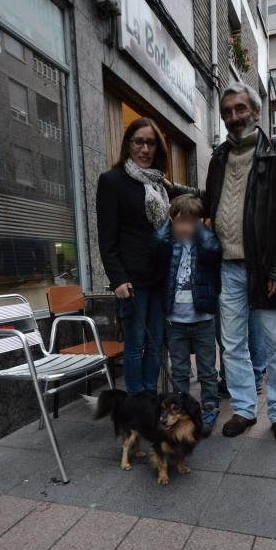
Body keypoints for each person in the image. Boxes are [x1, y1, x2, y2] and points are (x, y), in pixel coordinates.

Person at [204, 82, 276, 444]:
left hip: (265, 269)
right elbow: (212, 203)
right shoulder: (218, 158)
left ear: (256, 112)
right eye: (227, 111)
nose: (233, 117)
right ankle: (244, 408)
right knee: (232, 344)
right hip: (228, 267)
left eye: (240, 109)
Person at [96, 117, 169, 394]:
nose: (145, 149)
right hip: (132, 283)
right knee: (136, 345)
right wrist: (118, 279)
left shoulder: (159, 185)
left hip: (159, 279)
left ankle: (151, 398)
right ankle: (137, 403)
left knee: (155, 343)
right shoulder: (111, 181)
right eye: (139, 141)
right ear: (128, 144)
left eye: (150, 143)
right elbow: (107, 239)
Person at [155, 194, 222, 436]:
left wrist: (200, 228)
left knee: (207, 369)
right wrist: (169, 222)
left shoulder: (204, 245)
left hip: (203, 320)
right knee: (180, 370)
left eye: (193, 221)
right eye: (182, 221)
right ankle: (180, 410)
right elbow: (155, 246)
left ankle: (210, 407)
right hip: (176, 322)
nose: (187, 227)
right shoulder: (169, 246)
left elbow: (215, 249)